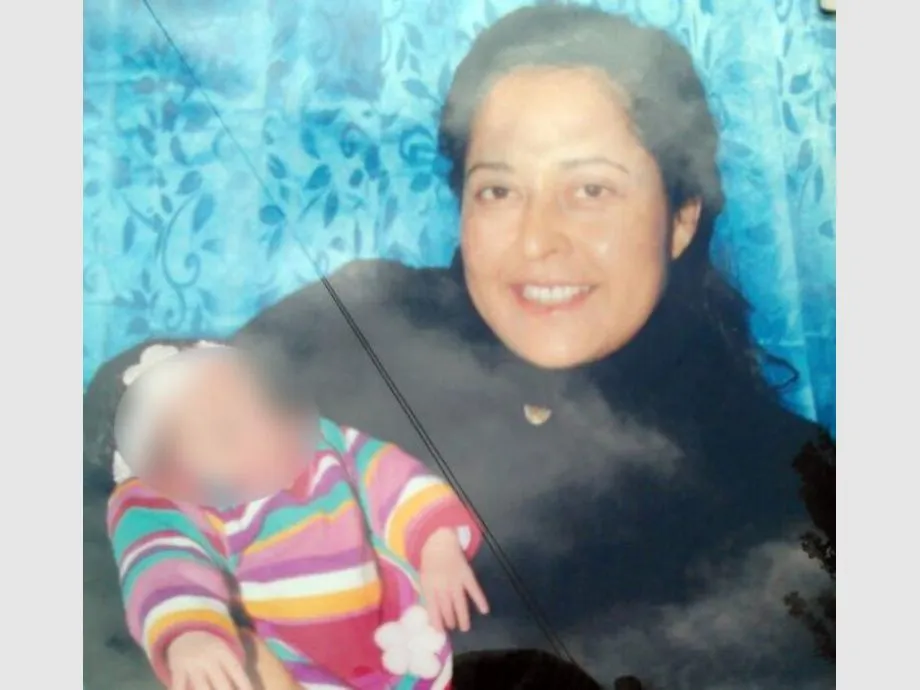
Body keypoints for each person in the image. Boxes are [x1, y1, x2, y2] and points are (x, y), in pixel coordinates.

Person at [84, 5, 835, 688]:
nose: (538, 241)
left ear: (681, 216)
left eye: (592, 190)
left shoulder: (785, 486)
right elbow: (112, 474)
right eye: (498, 190)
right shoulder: (353, 325)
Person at [106, 338, 486, 689]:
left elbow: (389, 477)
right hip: (299, 675)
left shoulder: (323, 449)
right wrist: (189, 633)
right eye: (226, 432)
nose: (261, 434)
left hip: (402, 648)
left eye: (260, 408)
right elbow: (163, 562)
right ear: (174, 465)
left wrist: (437, 545)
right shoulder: (165, 506)